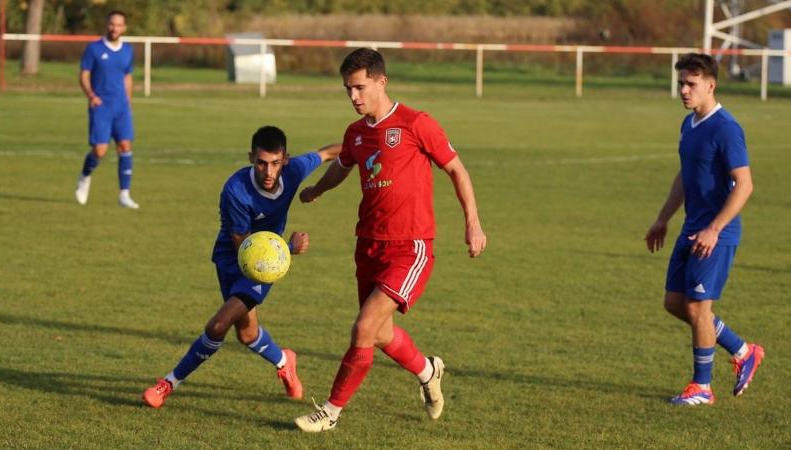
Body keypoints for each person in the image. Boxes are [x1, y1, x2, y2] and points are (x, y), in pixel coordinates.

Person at [293, 48, 487, 432]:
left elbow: (456, 169)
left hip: (410, 246)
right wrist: (317, 190)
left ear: (382, 82)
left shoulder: (416, 123)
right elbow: (343, 167)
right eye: (348, 89)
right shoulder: (356, 133)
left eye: (360, 87)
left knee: (364, 327)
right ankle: (428, 370)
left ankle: (329, 412)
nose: (354, 96)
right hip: (368, 243)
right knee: (380, 333)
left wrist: (473, 223)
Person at [142, 126, 340, 408]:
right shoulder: (235, 191)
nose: (269, 172)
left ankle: (167, 384)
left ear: (285, 159)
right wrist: (289, 248)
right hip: (236, 259)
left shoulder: (294, 170)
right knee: (247, 334)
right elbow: (245, 251)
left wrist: (367, 145)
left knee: (218, 324)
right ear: (251, 158)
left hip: (262, 270)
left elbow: (330, 152)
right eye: (261, 163)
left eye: (275, 163)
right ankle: (285, 361)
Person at [645, 53, 764, 406]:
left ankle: (702, 387)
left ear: (710, 85)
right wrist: (663, 218)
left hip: (717, 233)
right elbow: (686, 175)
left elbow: (744, 185)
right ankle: (744, 351)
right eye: (681, 82)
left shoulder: (726, 128)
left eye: (691, 84)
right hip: (691, 228)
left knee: (698, 308)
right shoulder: (689, 125)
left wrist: (714, 228)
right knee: (674, 303)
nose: (683, 90)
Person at [74, 10, 139, 209]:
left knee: (125, 147)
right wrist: (92, 96)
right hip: (101, 106)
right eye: (112, 24)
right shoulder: (94, 48)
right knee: (100, 150)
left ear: (124, 28)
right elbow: (84, 75)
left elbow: (127, 76)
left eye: (119, 25)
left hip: (121, 107)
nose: (115, 28)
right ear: (107, 25)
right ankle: (84, 177)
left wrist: (128, 99)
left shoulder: (128, 50)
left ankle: (124, 194)